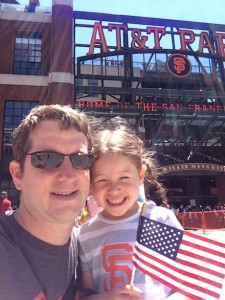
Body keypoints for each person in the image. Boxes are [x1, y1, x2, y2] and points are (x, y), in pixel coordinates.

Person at [78, 117, 191, 300]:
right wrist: (106, 297)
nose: (114, 189)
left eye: (124, 178)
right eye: (102, 180)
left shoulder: (160, 220)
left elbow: (187, 281)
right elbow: (85, 294)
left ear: (140, 176)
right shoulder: (86, 234)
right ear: (90, 184)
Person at [0, 104, 94, 300]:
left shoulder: (90, 250)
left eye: (80, 160)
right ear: (18, 175)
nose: (68, 176)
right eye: (46, 158)